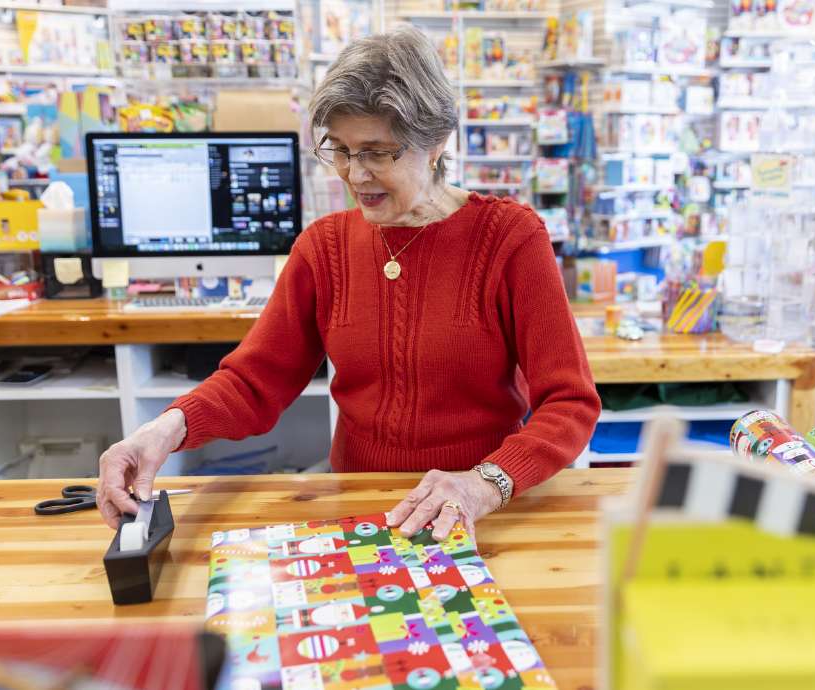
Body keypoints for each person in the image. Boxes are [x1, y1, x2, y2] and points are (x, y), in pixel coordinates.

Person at [96, 26, 601, 542]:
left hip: (479, 508)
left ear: (436, 143)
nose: (355, 174)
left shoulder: (510, 239)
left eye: (377, 152)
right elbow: (255, 381)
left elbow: (570, 402)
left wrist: (483, 484)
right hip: (360, 505)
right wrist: (160, 432)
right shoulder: (324, 247)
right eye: (340, 149)